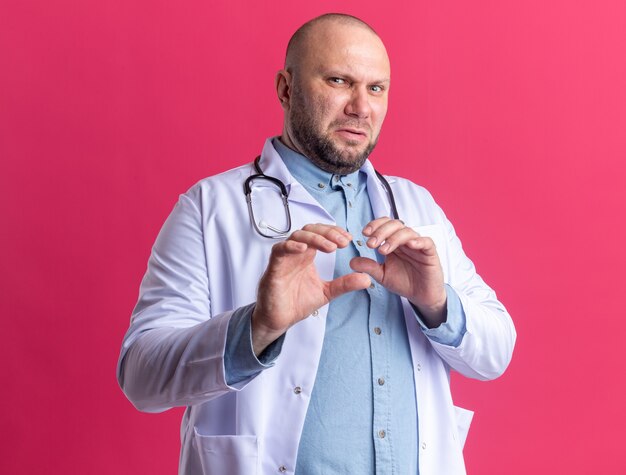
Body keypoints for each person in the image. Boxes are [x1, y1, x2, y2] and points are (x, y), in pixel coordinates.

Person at [117, 13, 516, 475]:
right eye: (339, 80)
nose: (360, 107)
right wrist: (257, 328)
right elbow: (140, 377)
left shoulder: (415, 206)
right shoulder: (211, 208)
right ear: (286, 89)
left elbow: (496, 352)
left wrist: (437, 303)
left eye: (376, 88)